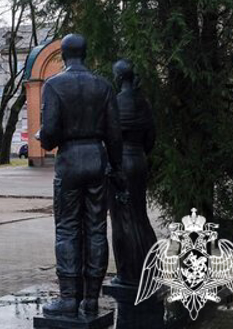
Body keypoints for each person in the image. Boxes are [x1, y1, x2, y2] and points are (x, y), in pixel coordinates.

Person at [38, 34, 125, 317]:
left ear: (63, 55)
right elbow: (114, 134)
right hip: (97, 158)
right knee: (97, 229)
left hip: (70, 161)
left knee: (67, 228)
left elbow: (49, 135)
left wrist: (44, 136)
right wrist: (117, 168)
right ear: (85, 54)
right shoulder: (103, 85)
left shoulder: (54, 85)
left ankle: (68, 298)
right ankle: (90, 299)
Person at [109, 59, 157, 287]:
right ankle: (149, 268)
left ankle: (128, 273)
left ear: (118, 78)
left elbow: (111, 138)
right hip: (140, 160)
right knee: (140, 214)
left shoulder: (116, 102)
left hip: (122, 165)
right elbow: (151, 137)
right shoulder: (143, 102)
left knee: (122, 220)